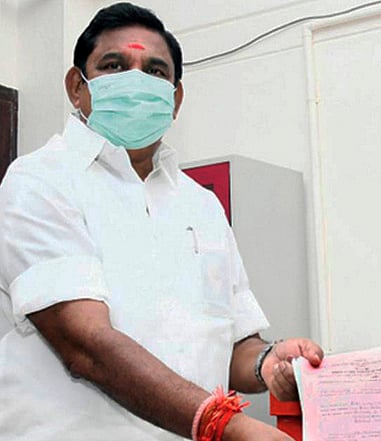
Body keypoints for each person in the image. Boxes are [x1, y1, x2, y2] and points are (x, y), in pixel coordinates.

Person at [0, 3, 321, 440]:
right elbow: (86, 346)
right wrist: (222, 425)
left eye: (154, 71)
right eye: (114, 66)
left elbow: (230, 347)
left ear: (175, 98)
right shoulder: (41, 180)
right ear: (78, 87)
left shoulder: (200, 205)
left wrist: (269, 362)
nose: (135, 81)